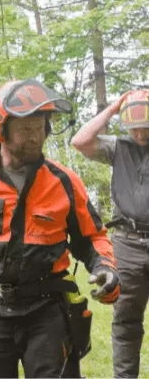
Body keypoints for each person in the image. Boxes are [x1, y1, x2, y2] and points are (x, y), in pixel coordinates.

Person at [0, 79, 121, 378]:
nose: (35, 138)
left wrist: (105, 266)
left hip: (48, 312)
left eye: (40, 127)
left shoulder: (64, 181)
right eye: (25, 130)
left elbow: (91, 237)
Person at [71, 89, 149, 378]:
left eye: (145, 126)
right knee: (126, 321)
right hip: (127, 245)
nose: (139, 133)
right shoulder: (118, 147)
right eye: (135, 126)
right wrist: (114, 108)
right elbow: (80, 141)